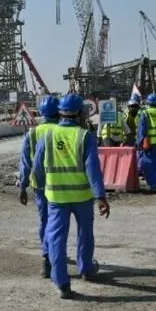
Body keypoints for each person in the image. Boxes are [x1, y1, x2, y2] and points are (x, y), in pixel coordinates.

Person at [33, 94, 110, 299]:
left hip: (56, 198)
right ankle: (86, 269)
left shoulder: (47, 136)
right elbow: (93, 170)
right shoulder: (85, 137)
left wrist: (39, 186)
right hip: (82, 197)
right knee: (85, 233)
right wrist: (100, 197)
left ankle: (62, 283)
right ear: (79, 114)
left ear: (61, 113)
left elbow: (37, 167)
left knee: (56, 238)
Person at [18, 95, 60, 278]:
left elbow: (25, 162)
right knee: (58, 223)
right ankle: (56, 255)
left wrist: (22, 186)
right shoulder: (62, 130)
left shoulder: (33, 133)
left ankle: (46, 259)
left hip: (39, 186)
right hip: (59, 185)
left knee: (45, 221)